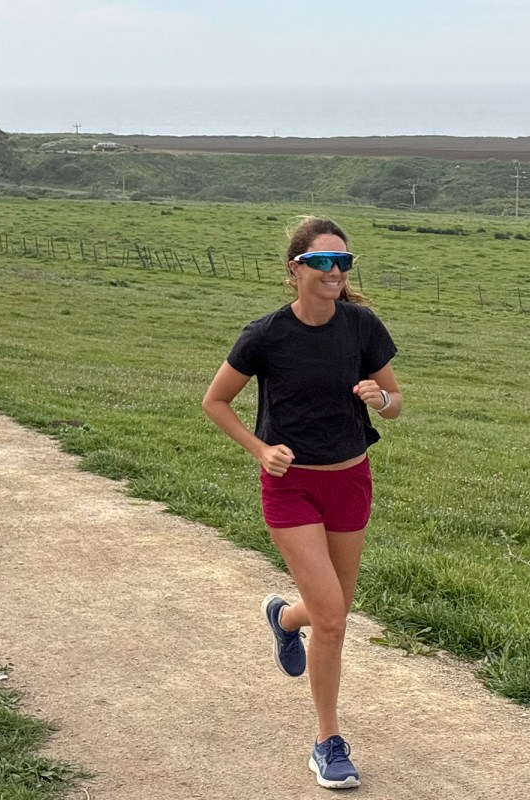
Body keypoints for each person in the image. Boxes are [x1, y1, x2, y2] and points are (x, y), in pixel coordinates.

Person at [202, 217, 401, 790]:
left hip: (350, 480)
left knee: (332, 606)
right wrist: (260, 449)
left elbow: (396, 404)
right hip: (292, 488)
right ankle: (327, 742)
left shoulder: (362, 326)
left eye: (343, 262)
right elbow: (215, 402)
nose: (334, 272)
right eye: (321, 263)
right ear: (295, 270)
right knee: (335, 618)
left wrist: (379, 395)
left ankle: (284, 618)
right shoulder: (265, 335)